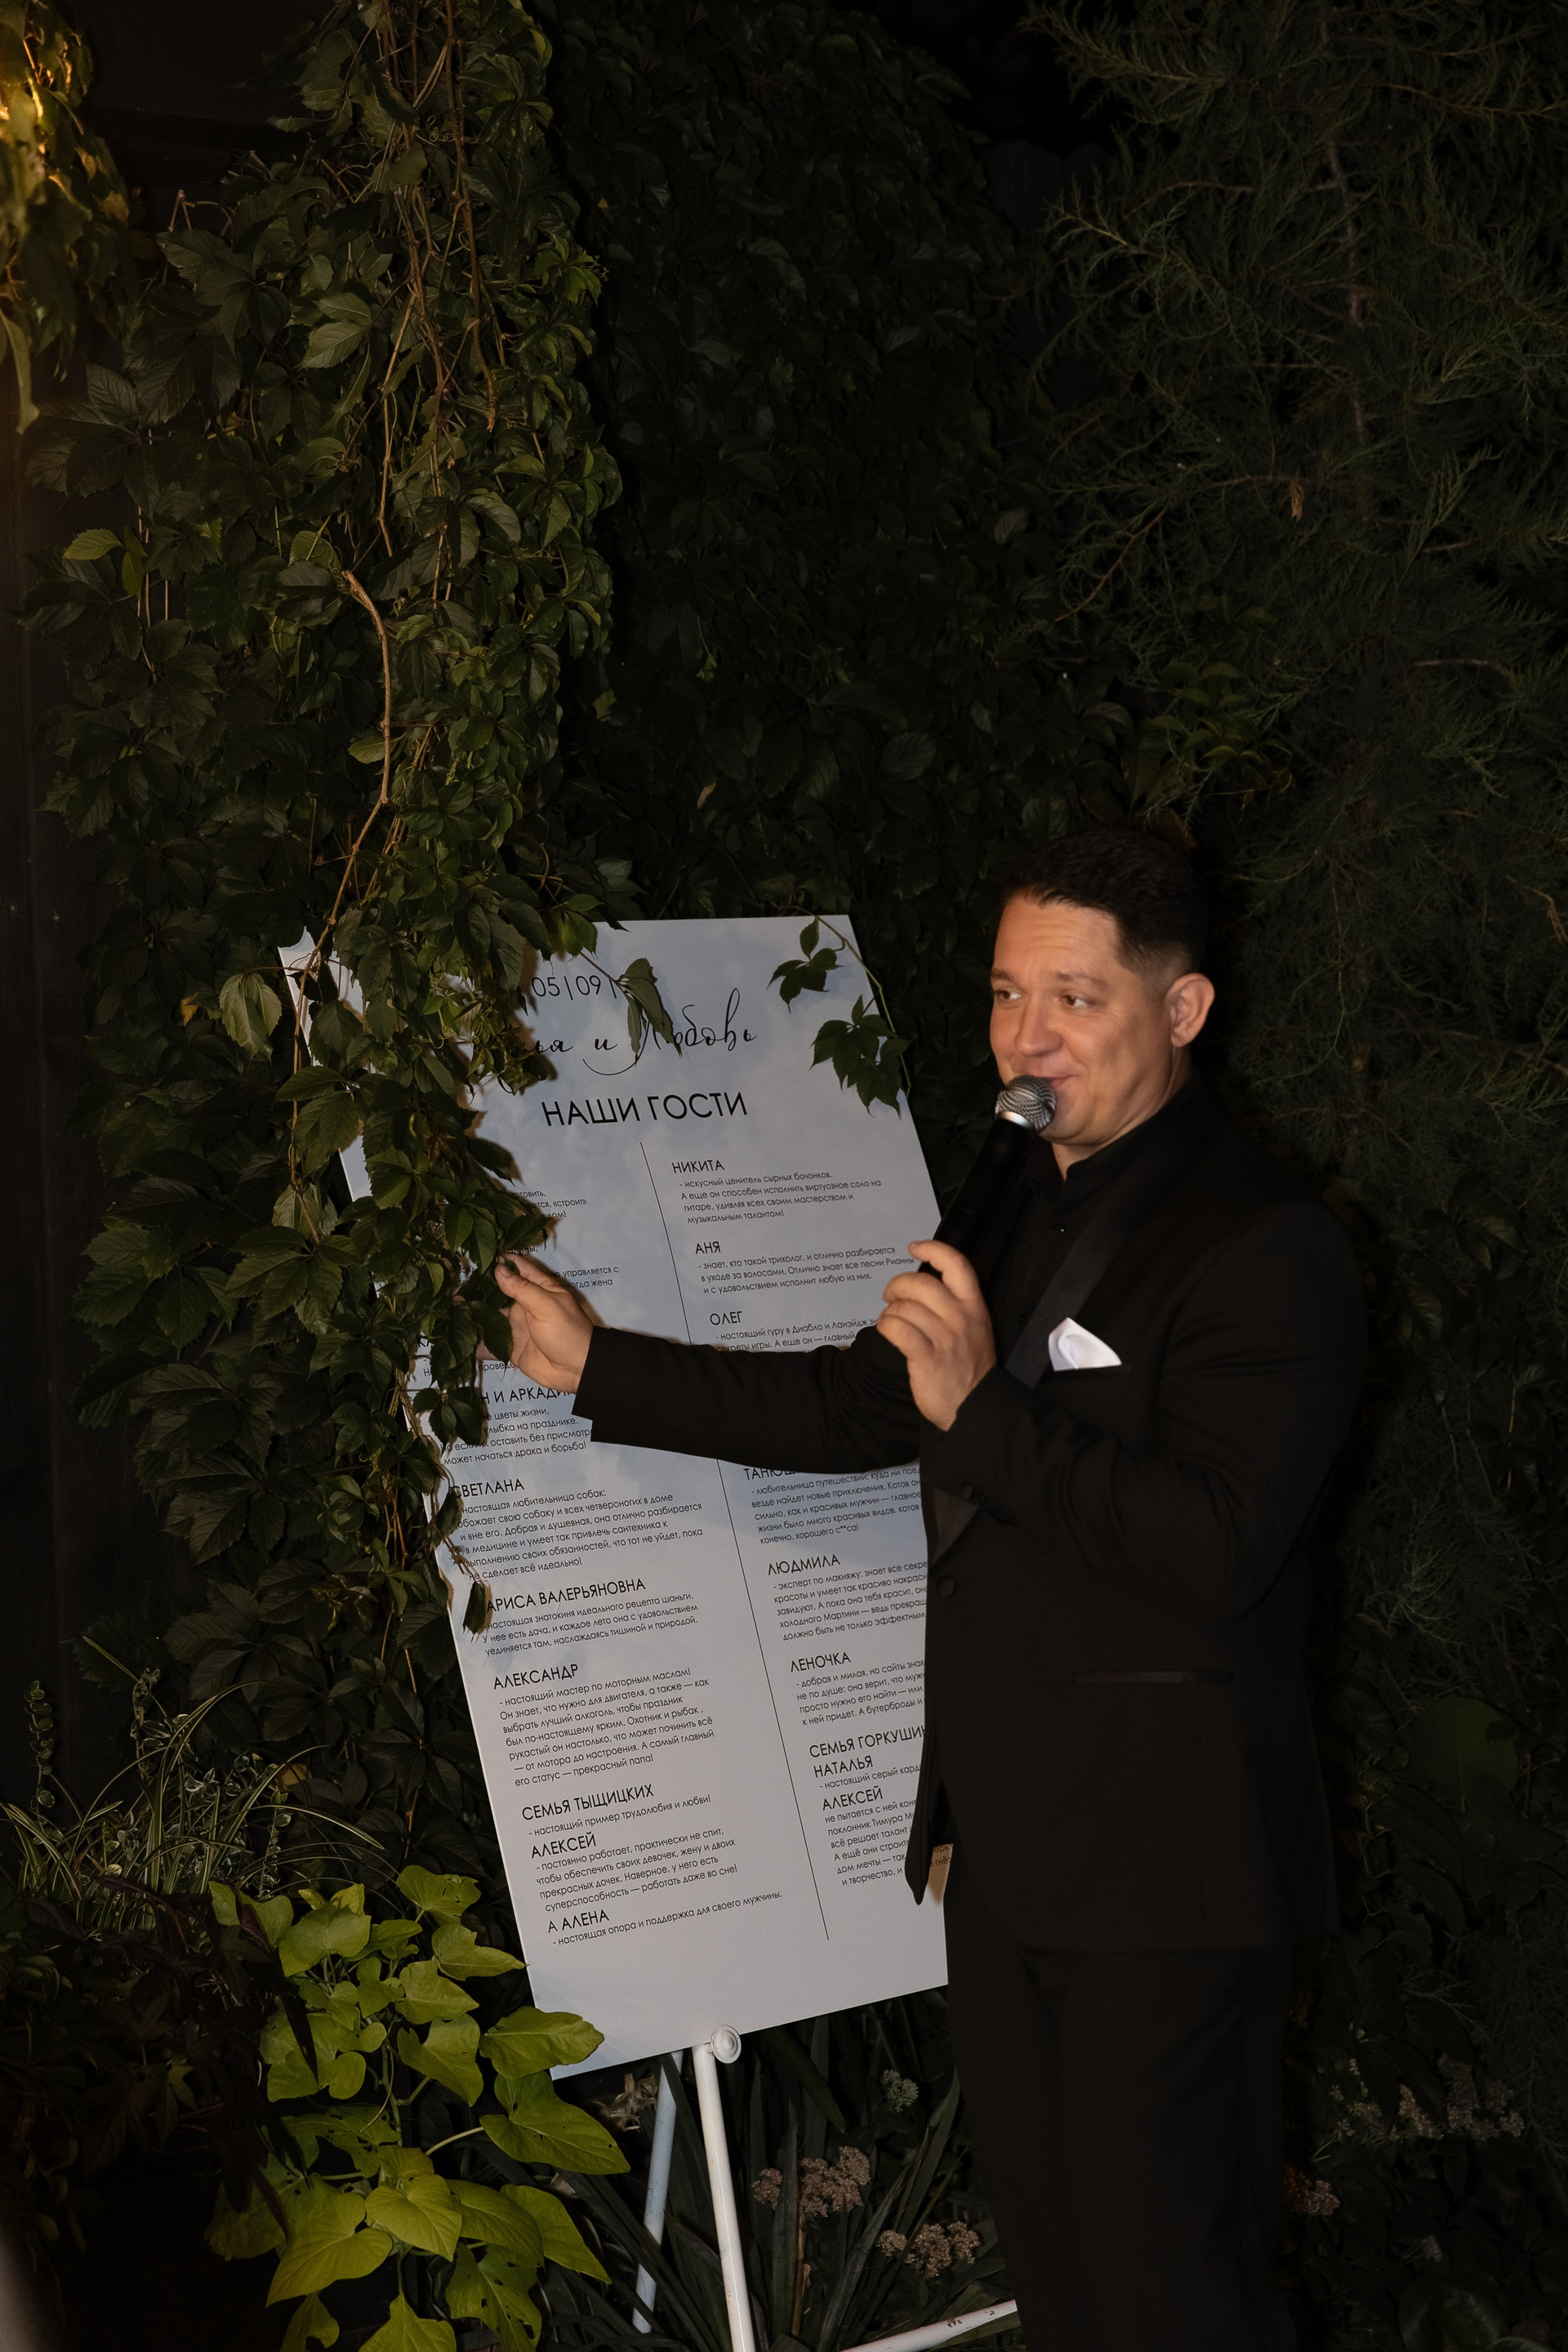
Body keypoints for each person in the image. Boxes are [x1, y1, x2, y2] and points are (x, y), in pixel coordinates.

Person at [497, 827, 1366, 2352]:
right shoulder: (1016, 1199)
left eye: (1077, 999)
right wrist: (594, 1368)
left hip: (1167, 1871)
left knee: (1173, 2298)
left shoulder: (1269, 1243)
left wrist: (985, 1412)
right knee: (1070, 2289)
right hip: (1012, 1856)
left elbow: (1221, 1545)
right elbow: (861, 1404)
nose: (1030, 1038)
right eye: (1008, 994)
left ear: (1182, 1011)